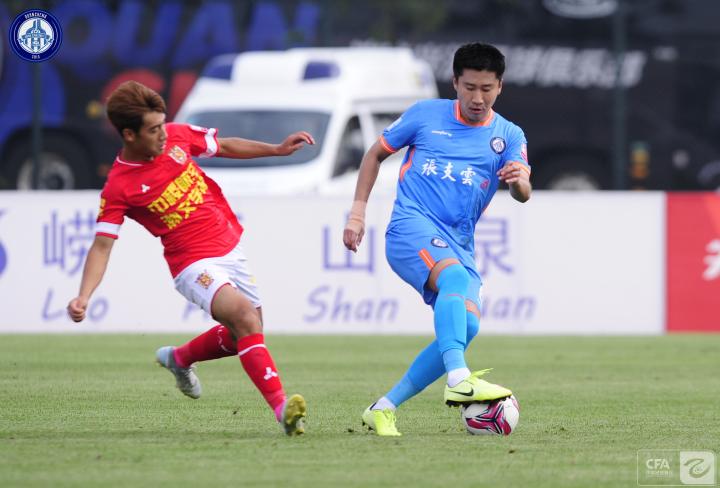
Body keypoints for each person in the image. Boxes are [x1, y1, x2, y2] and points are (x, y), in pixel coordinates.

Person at [67, 80, 314, 436]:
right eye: (153, 130)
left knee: (245, 333)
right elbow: (102, 246)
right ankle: (282, 409)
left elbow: (224, 145)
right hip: (192, 264)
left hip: (229, 247)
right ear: (129, 135)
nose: (163, 134)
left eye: (162, 124)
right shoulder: (119, 186)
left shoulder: (177, 136)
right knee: (245, 318)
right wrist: (84, 296)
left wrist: (276, 150)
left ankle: (179, 358)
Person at [343, 43, 531, 436]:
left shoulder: (509, 135)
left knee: (467, 326)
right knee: (455, 280)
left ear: (499, 87)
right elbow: (374, 155)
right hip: (410, 229)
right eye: (469, 87)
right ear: (455, 83)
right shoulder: (425, 115)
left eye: (486, 89)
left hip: (458, 243)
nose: (477, 98)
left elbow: (523, 192)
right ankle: (459, 378)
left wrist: (518, 181)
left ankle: (383, 408)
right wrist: (358, 213)